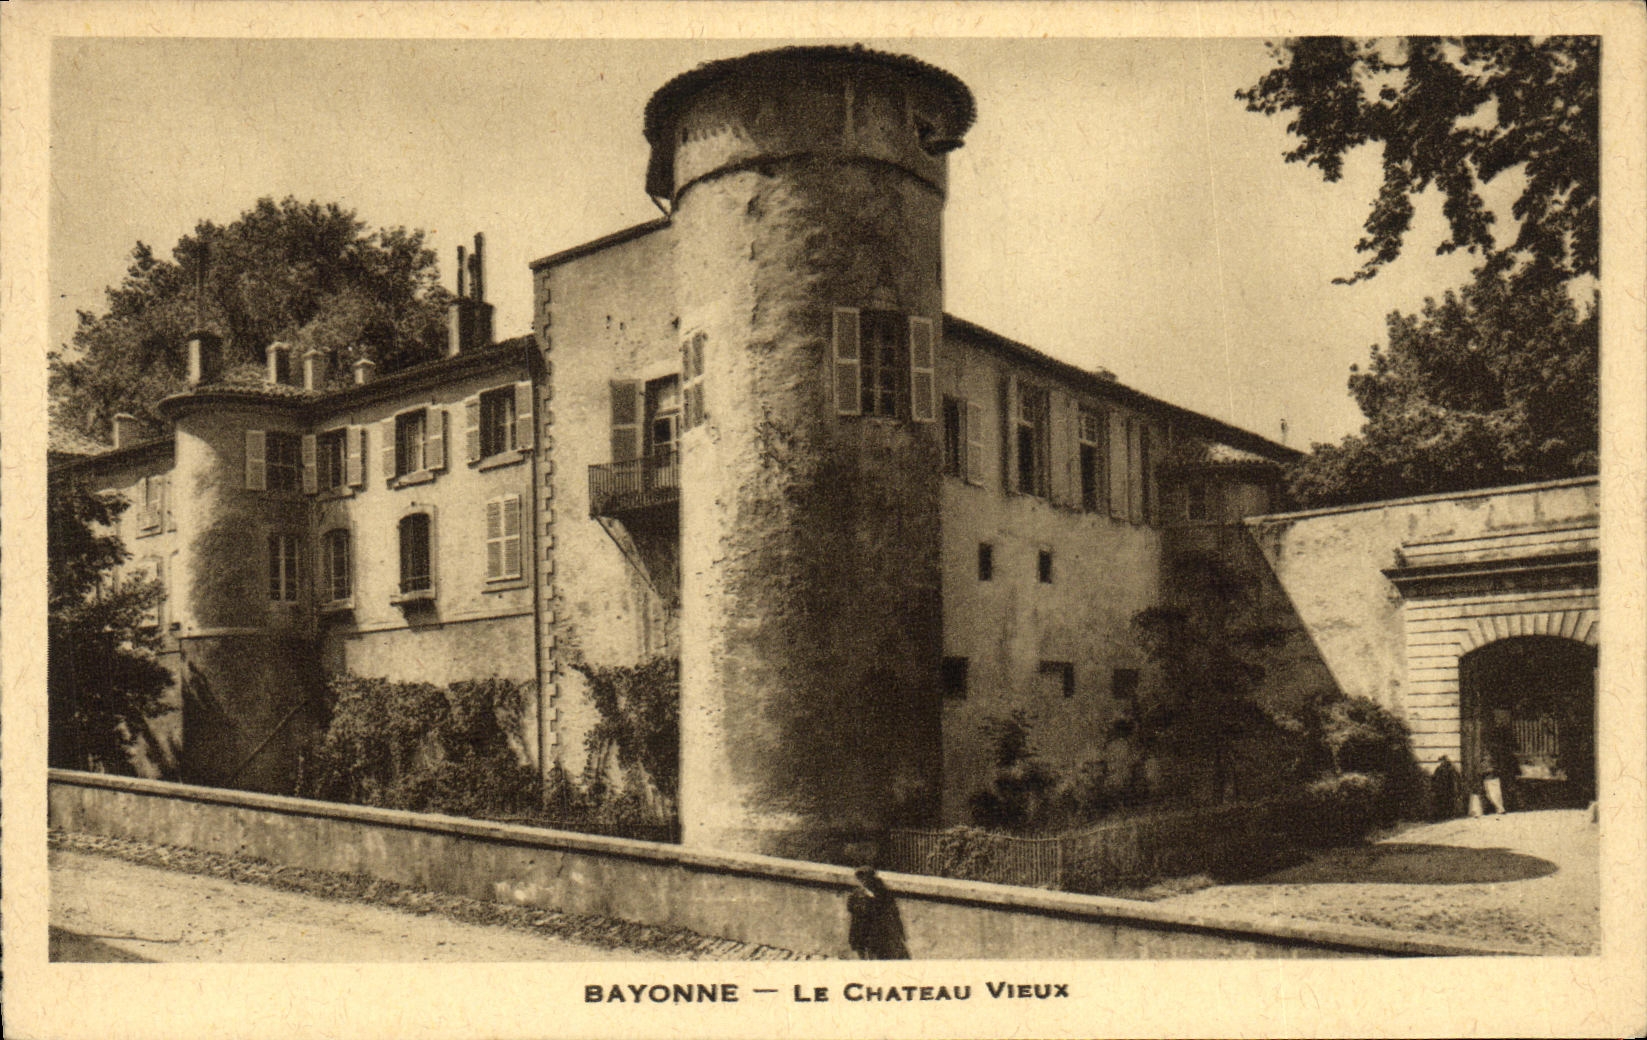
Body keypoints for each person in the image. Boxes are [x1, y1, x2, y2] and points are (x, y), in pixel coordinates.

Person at [845, 866, 908, 959]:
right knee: (860, 946)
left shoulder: (881, 893)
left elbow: (889, 909)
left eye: (866, 877)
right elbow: (850, 906)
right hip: (859, 925)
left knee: (873, 948)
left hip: (873, 926)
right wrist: (860, 908)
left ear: (871, 878)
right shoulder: (857, 893)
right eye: (861, 878)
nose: (864, 881)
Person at [1430, 755, 1460, 820]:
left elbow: (1454, 779)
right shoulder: (1439, 769)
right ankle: (1443, 816)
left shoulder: (1451, 769)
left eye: (1442, 761)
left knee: (1448, 802)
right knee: (1442, 802)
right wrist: (1433, 788)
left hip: (1448, 789)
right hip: (1441, 789)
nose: (1441, 762)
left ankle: (1449, 815)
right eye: (1441, 761)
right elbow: (1434, 779)